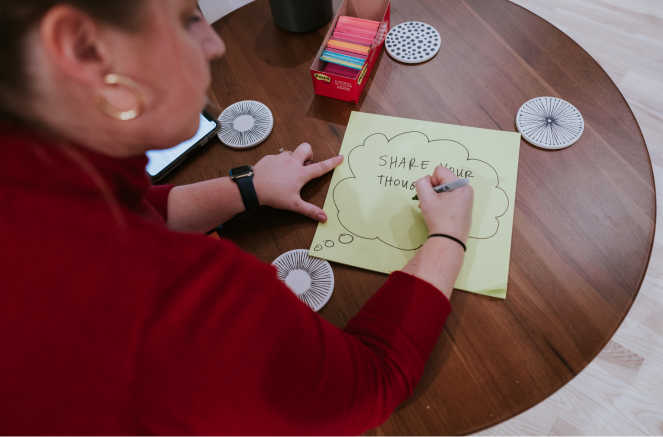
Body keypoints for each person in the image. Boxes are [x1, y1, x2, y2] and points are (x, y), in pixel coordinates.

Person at [0, 0, 474, 436]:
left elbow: (127, 209)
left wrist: (246, 187)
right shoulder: (172, 300)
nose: (215, 43)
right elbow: (370, 385)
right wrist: (448, 235)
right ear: (82, 49)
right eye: (188, 19)